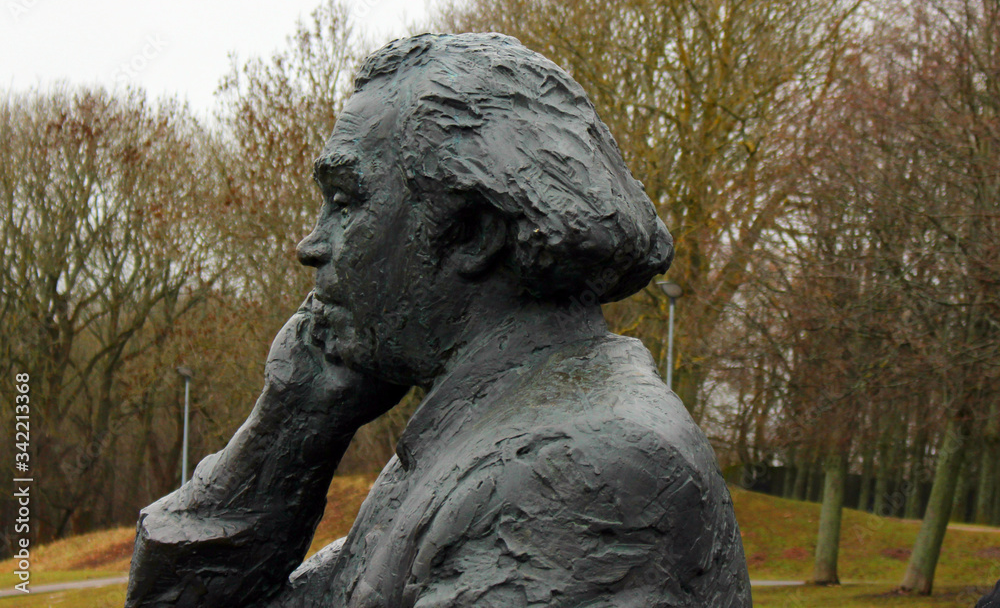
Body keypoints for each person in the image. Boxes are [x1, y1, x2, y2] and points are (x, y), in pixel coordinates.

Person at [125, 32, 751, 607]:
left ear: (471, 232)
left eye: (345, 203)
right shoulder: (467, 444)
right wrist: (291, 426)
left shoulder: (577, 469)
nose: (311, 244)